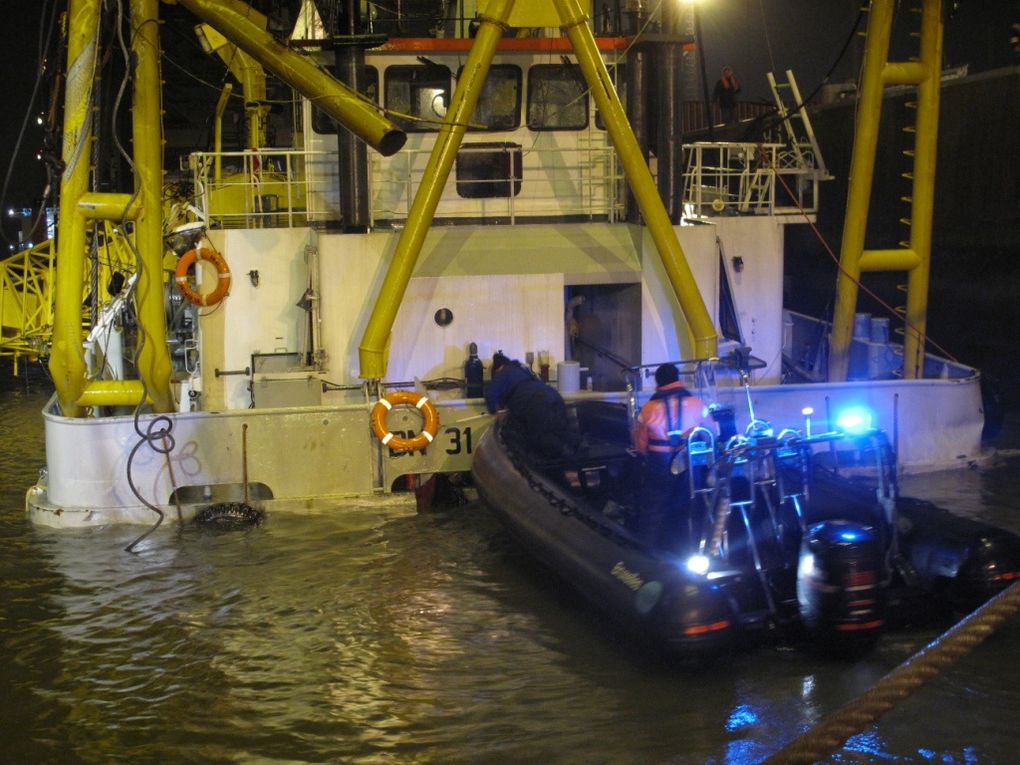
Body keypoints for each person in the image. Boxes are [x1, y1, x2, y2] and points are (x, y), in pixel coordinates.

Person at [632, 363, 712, 550]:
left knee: (654, 507)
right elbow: (712, 434)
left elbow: (640, 445)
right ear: (678, 379)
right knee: (691, 504)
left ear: (657, 382)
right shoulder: (697, 404)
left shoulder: (648, 409)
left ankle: (647, 553)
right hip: (690, 462)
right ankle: (689, 550)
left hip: (659, 462)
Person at [486, 351, 576, 461]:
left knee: (541, 439)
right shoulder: (523, 370)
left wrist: (495, 411)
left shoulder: (503, 372)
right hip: (554, 396)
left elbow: (490, 393)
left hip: (535, 403)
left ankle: (562, 458)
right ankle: (576, 455)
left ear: (498, 368)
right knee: (561, 431)